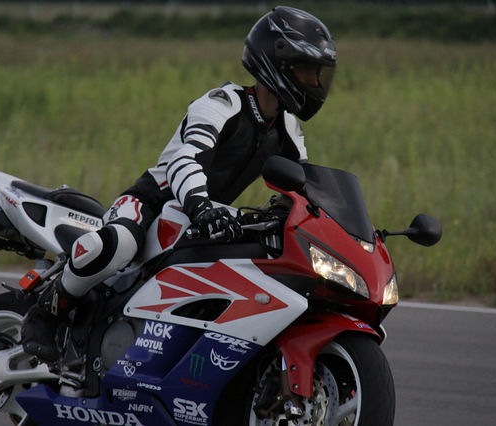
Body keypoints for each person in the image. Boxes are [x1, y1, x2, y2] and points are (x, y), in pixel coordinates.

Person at [21, 6, 337, 362]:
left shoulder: (289, 130)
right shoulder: (222, 103)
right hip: (153, 202)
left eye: (317, 73)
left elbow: (305, 188)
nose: (314, 81)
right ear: (279, 64)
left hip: (207, 215)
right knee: (117, 244)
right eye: (307, 70)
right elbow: (186, 159)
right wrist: (200, 206)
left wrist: (339, 228)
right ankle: (45, 314)